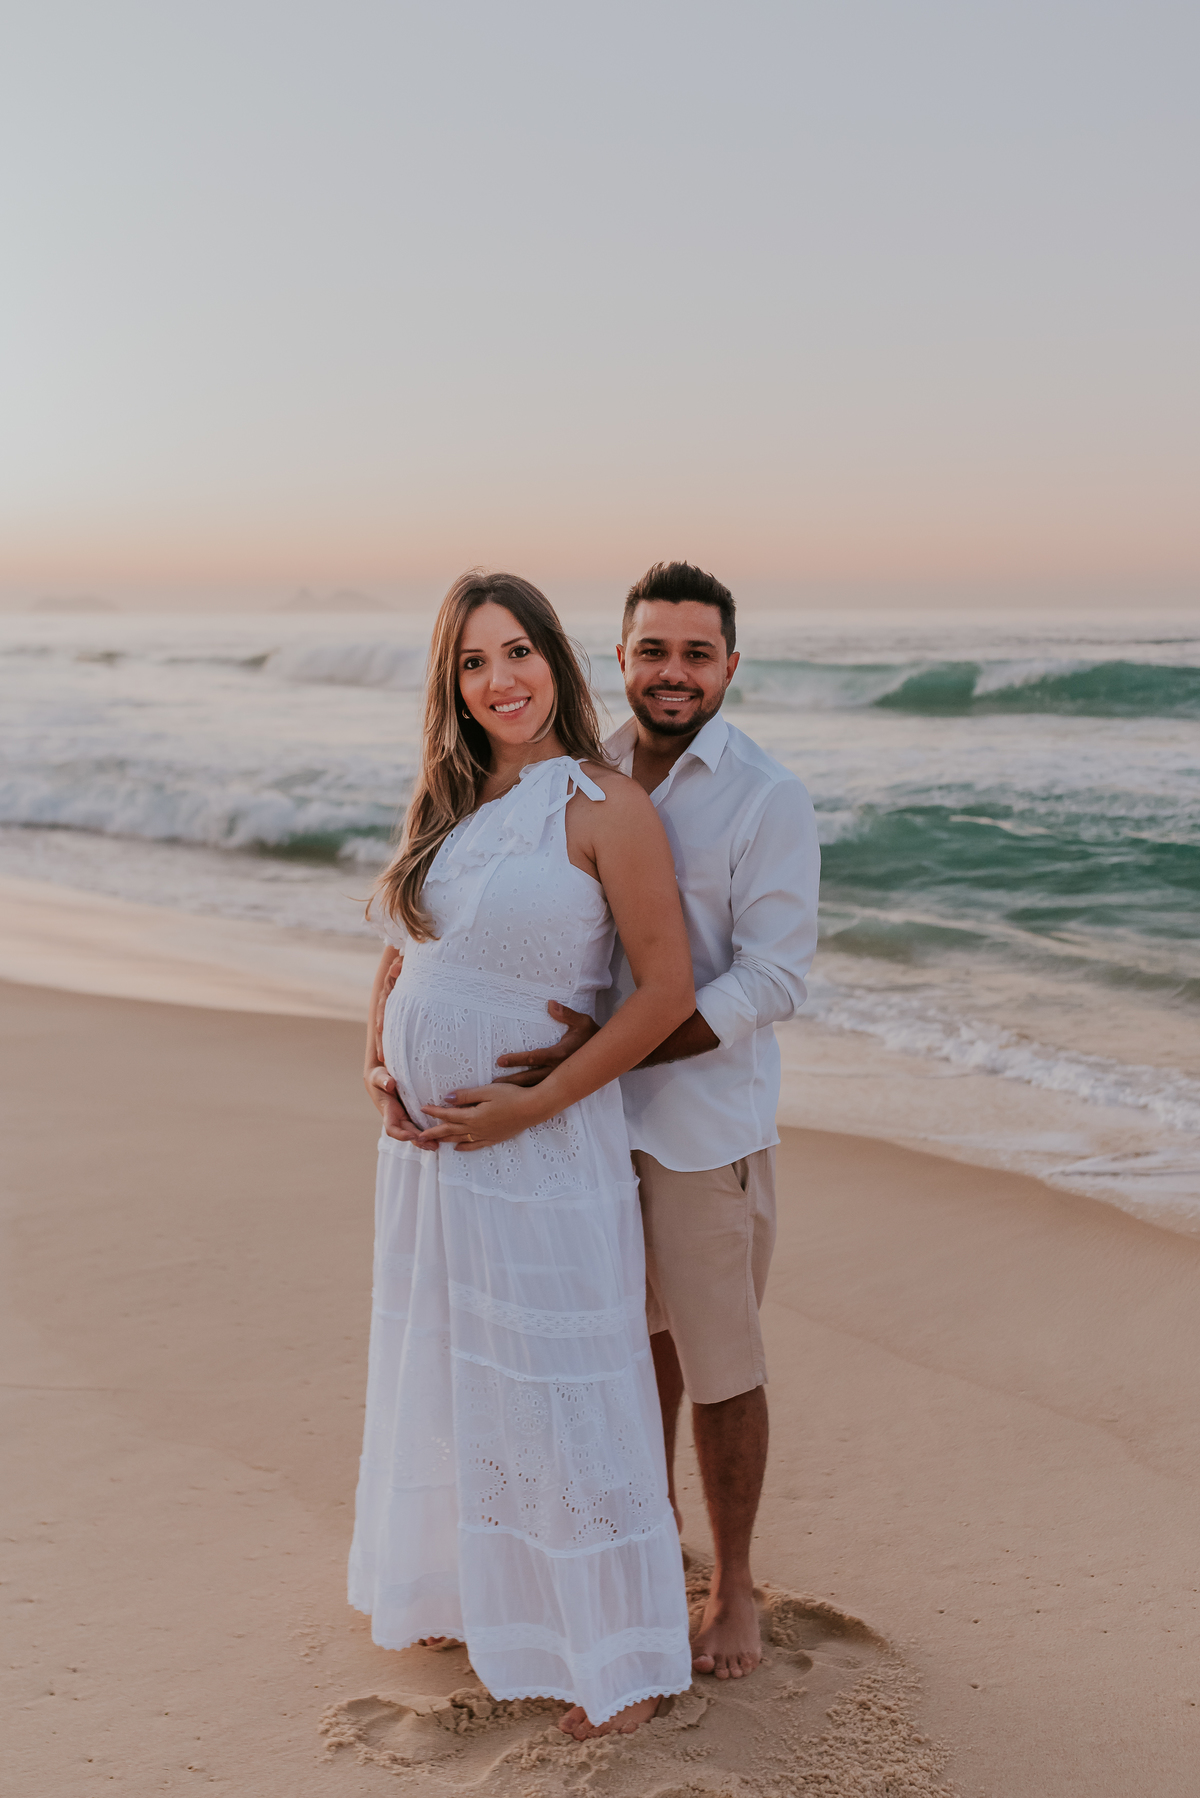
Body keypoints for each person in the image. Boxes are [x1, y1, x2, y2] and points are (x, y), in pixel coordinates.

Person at [353, 570, 697, 1740]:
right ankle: (471, 1590)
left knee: (567, 1389)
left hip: (541, 1149)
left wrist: (536, 1100)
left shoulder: (604, 807)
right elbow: (402, 959)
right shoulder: (446, 807)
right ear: (451, 686)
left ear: (557, 657)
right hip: (433, 1154)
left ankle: (625, 1660)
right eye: (472, 662)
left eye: (517, 653)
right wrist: (378, 1065)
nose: (499, 680)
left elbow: (663, 992)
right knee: (458, 1363)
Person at [493, 561, 820, 1682]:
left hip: (700, 1128)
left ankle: (734, 1587)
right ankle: (649, 1545)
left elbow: (774, 977)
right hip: (582, 1127)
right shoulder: (578, 776)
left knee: (717, 1360)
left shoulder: (766, 797)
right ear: (620, 656)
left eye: (695, 653)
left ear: (731, 664)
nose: (672, 672)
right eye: (652, 650)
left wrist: (604, 1049)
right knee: (627, 1351)